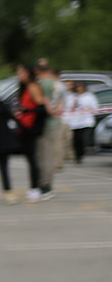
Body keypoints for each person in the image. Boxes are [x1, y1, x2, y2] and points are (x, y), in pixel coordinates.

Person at [15, 63, 48, 202]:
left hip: (31, 127)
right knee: (29, 158)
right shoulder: (24, 88)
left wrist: (26, 111)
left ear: (28, 73)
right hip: (24, 126)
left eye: (21, 72)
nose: (19, 75)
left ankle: (36, 188)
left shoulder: (33, 87)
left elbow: (42, 109)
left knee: (33, 159)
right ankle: (34, 187)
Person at [34, 63, 63, 198]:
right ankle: (48, 184)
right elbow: (61, 106)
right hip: (55, 123)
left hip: (44, 124)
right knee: (50, 155)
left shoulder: (43, 85)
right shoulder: (58, 85)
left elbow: (45, 104)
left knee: (43, 156)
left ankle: (44, 185)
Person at [70, 81, 98, 164]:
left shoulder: (89, 96)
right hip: (75, 122)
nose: (79, 89)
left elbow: (95, 107)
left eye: (81, 87)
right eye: (78, 87)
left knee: (83, 138)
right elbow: (69, 108)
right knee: (76, 139)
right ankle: (77, 155)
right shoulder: (73, 96)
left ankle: (82, 153)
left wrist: (88, 110)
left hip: (86, 121)